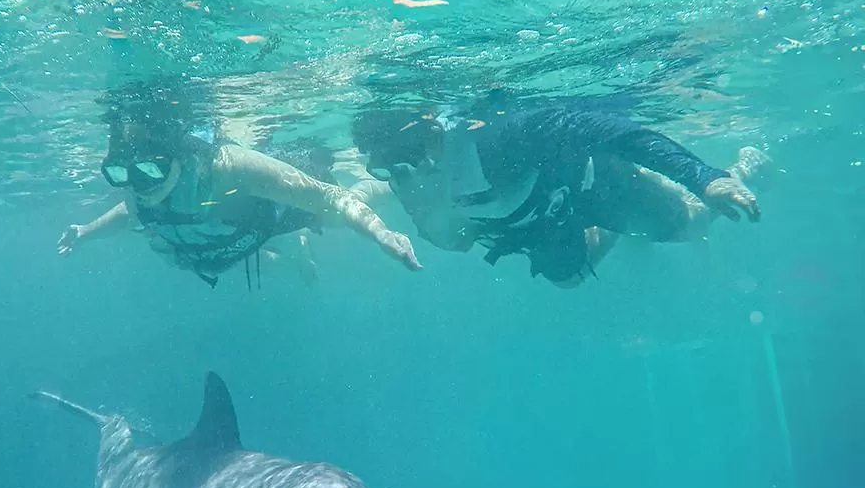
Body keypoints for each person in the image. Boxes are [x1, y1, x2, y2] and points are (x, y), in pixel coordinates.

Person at [344, 95, 767, 288]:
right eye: (382, 164)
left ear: (433, 127)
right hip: (530, 222)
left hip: (592, 184)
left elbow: (608, 130)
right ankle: (618, 230)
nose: (402, 171)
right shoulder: (404, 175)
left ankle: (744, 167)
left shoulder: (500, 136)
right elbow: (452, 236)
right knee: (566, 280)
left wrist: (702, 176)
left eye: (406, 153)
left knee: (688, 227)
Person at [58, 79, 422, 288]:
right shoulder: (141, 186)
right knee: (264, 251)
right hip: (226, 242)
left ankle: (386, 186)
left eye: (150, 172)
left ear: (179, 158)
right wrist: (85, 231)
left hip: (272, 213)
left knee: (328, 210)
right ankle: (294, 256)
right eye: (120, 175)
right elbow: (130, 212)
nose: (138, 185)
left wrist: (381, 235)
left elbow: (330, 197)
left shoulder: (228, 167)